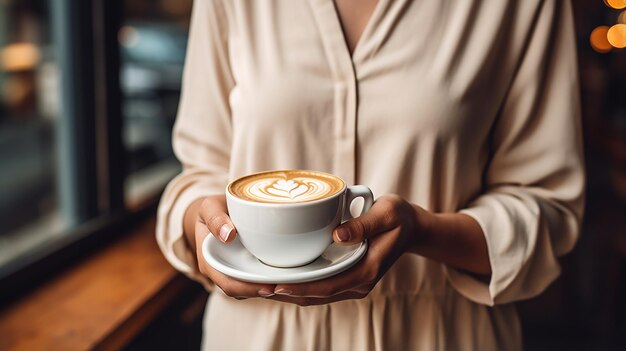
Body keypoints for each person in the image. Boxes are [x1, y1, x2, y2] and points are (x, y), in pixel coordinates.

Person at [156, 0, 584, 350]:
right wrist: (208, 228)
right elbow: (197, 176)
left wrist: (423, 231)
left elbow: (550, 211)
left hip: (441, 336)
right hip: (256, 335)